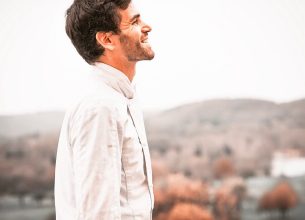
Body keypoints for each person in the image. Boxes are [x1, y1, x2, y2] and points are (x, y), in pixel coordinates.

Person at [54, 0, 155, 219]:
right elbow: (98, 213)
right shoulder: (100, 106)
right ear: (107, 39)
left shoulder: (119, 97)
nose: (147, 27)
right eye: (135, 22)